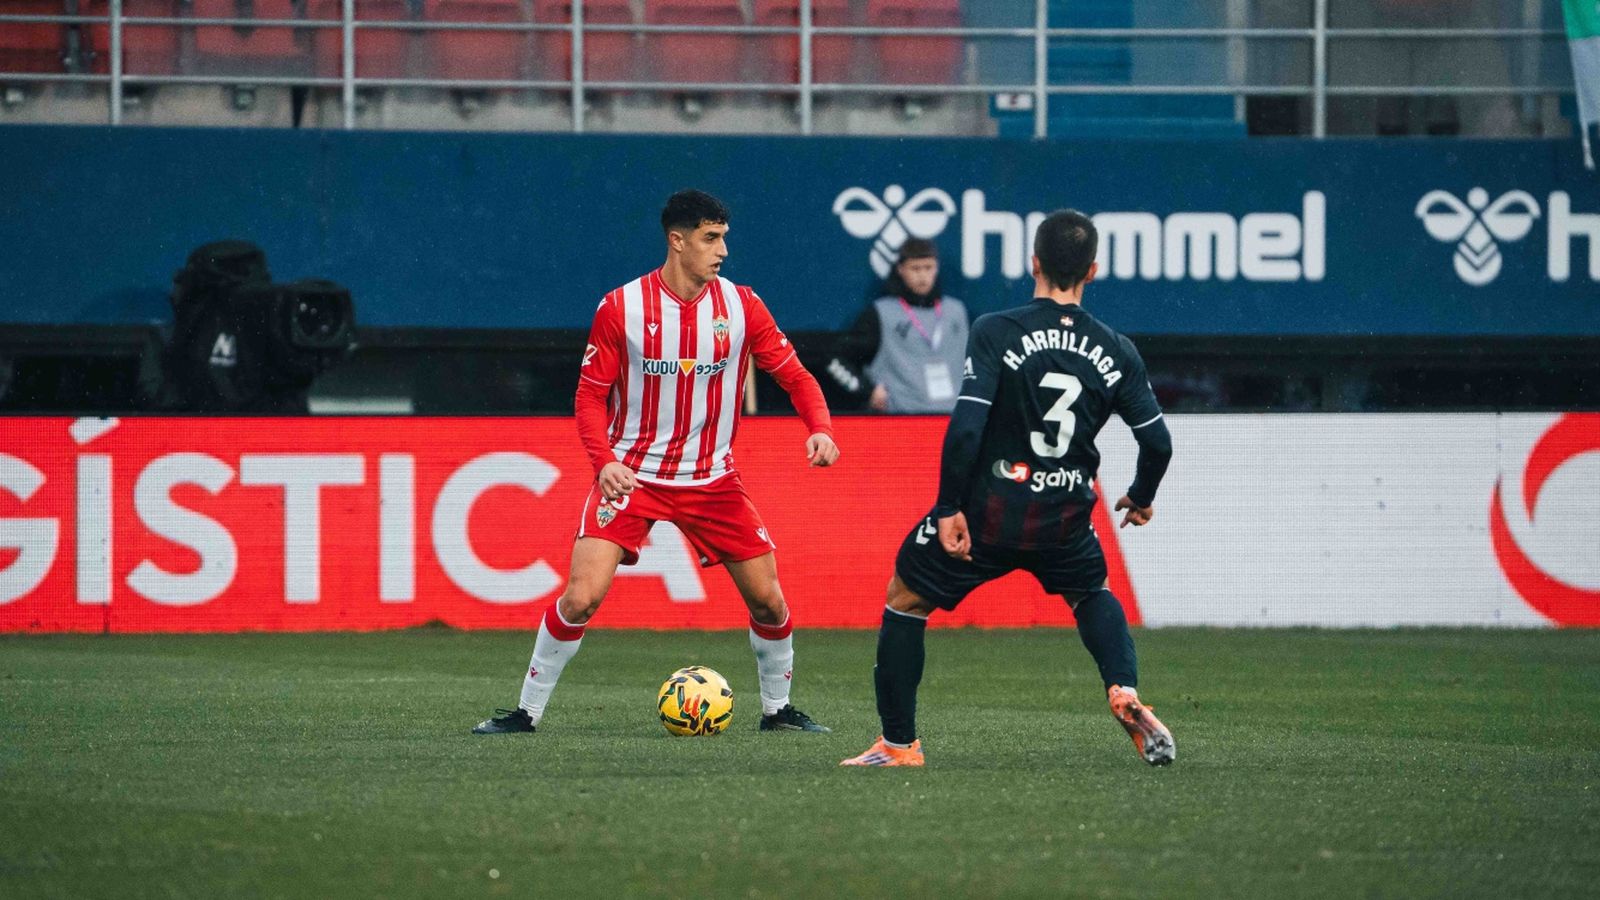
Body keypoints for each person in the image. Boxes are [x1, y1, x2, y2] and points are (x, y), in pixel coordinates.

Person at [474, 189, 840, 736]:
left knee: (768, 600)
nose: (722, 252)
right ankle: (524, 714)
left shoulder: (742, 306)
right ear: (677, 240)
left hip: (712, 478)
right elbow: (588, 397)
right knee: (580, 598)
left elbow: (796, 376)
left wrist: (822, 429)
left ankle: (777, 712)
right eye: (710, 239)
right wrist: (603, 463)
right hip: (632, 476)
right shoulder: (621, 307)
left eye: (724, 239)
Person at [840, 210, 1175, 768]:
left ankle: (899, 746)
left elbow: (967, 427)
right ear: (1093, 270)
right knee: (1090, 593)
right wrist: (1140, 496)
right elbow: (1158, 443)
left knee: (905, 600)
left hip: (990, 512)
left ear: (1034, 263)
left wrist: (949, 507)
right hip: (1065, 514)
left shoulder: (997, 329)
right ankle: (1123, 687)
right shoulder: (1117, 348)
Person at [823, 238, 969, 414]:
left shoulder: (956, 312)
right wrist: (866, 391)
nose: (922, 276)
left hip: (951, 417)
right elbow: (834, 360)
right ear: (901, 269)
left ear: (936, 268)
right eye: (915, 268)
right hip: (900, 420)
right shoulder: (881, 314)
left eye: (928, 268)